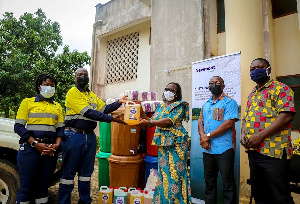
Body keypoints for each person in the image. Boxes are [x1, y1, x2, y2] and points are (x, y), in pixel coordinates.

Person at [58, 68, 128, 204]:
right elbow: (89, 113)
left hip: (89, 137)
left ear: (88, 78)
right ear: (74, 78)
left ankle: (85, 201)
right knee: (68, 173)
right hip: (74, 135)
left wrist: (119, 102)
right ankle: (64, 201)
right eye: (79, 75)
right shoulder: (73, 93)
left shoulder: (91, 95)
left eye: (85, 75)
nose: (82, 77)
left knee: (86, 174)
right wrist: (112, 119)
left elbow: (104, 109)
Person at [241, 58, 296, 204]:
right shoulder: (252, 93)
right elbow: (245, 118)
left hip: (274, 153)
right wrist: (243, 134)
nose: (256, 70)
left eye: (260, 67)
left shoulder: (281, 89)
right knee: (260, 195)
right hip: (254, 151)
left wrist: (260, 135)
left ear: (268, 70)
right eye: (252, 69)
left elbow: (286, 116)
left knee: (280, 196)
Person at [139, 82, 192, 204]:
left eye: (172, 90)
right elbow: (152, 120)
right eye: (167, 89)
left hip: (176, 144)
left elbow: (168, 121)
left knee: (175, 175)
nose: (169, 91)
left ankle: (177, 201)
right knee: (164, 175)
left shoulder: (180, 105)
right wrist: (140, 112)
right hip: (163, 143)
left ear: (177, 93)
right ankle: (164, 201)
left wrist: (150, 123)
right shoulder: (161, 107)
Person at [14, 74, 64, 204]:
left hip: (50, 151)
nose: (49, 88)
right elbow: (18, 127)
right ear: (39, 86)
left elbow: (60, 129)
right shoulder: (27, 102)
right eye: (46, 85)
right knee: (26, 187)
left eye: (52, 86)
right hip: (30, 150)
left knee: (43, 188)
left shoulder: (57, 107)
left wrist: (57, 145)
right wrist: (36, 144)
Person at [198, 76, 238, 204]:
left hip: (224, 150)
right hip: (208, 150)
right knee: (209, 183)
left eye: (217, 83)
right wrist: (203, 138)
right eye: (211, 83)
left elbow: (228, 124)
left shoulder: (229, 102)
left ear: (223, 86)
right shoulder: (205, 104)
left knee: (228, 184)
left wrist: (207, 136)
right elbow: (200, 122)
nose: (214, 85)